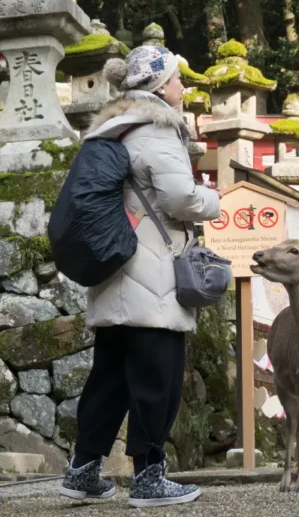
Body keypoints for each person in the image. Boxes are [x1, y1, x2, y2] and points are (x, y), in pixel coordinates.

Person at [58, 45, 222, 508]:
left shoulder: (112, 129)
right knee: (158, 375)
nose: (182, 87)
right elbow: (180, 200)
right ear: (157, 85)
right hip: (151, 271)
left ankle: (84, 470)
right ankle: (149, 477)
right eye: (176, 79)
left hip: (114, 266)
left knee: (109, 376)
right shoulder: (159, 128)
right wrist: (214, 200)